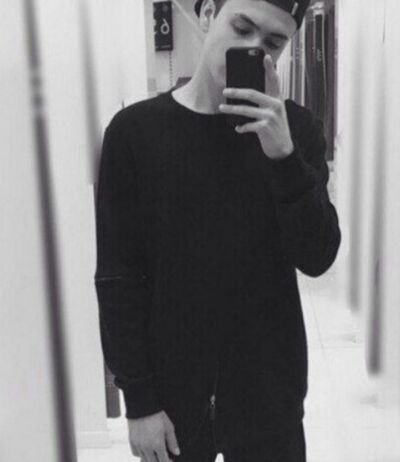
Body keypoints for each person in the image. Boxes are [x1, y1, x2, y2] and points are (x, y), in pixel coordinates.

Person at [93, 0, 341, 461]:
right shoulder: (134, 133)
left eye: (273, 43)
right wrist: (139, 401)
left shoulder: (297, 130)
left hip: (270, 394)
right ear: (207, 14)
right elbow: (118, 277)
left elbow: (318, 256)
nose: (253, 49)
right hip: (172, 397)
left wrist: (282, 155)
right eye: (241, 28)